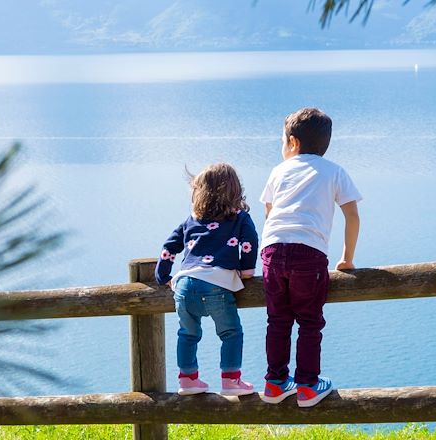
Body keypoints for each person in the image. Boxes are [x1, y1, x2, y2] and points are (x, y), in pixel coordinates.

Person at [259, 108, 362, 407]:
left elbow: (269, 213)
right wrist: (347, 258)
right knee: (309, 321)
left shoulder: (278, 171)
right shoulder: (334, 171)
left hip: (273, 250)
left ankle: (275, 383)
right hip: (309, 254)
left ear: (292, 142)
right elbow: (352, 215)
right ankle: (307, 385)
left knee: (277, 320)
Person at [155, 163, 259, 396]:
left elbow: (168, 247)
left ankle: (188, 379)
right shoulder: (240, 217)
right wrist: (246, 270)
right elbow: (249, 243)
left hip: (184, 284)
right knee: (231, 333)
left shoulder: (192, 219)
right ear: (235, 190)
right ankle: (231, 381)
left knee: (187, 334)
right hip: (216, 285)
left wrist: (163, 276)